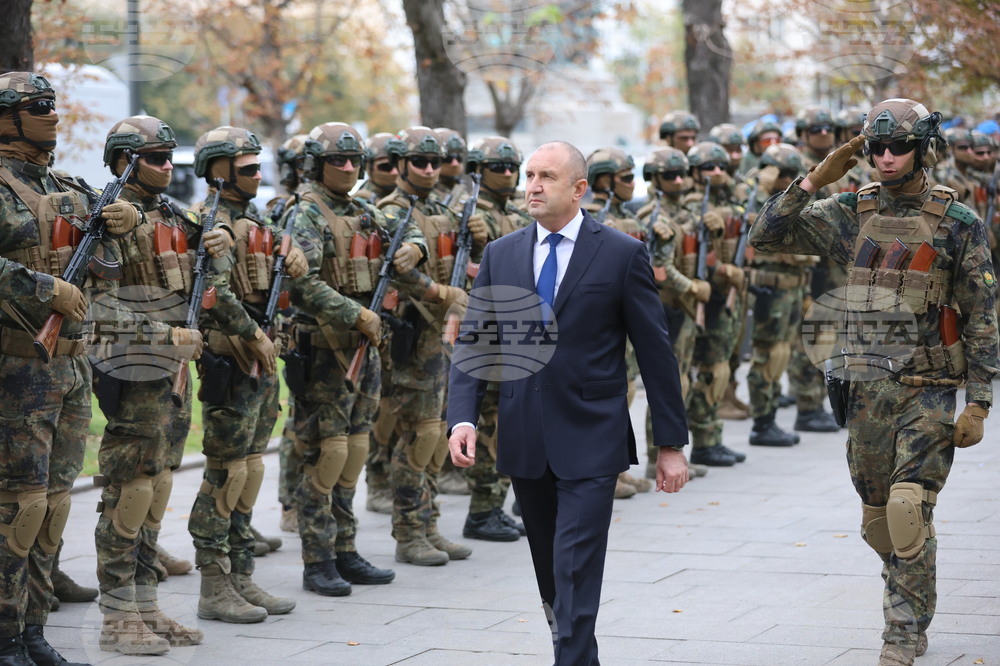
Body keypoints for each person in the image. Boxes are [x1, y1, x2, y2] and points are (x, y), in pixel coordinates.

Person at [750, 98, 998, 665]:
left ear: (924, 149)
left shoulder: (958, 223)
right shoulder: (848, 212)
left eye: (899, 146)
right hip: (865, 387)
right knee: (879, 518)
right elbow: (766, 236)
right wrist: (813, 178)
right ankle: (915, 597)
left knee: (910, 508)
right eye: (876, 147)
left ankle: (902, 634)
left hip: (929, 389)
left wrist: (979, 403)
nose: (885, 157)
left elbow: (981, 313)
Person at [447, 141, 689, 665]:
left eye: (546, 176)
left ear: (579, 189)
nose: (531, 186)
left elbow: (655, 352)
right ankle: (578, 651)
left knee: (576, 561)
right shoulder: (502, 253)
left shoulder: (623, 253)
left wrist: (670, 444)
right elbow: (474, 342)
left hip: (591, 435)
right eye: (528, 175)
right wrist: (462, 417)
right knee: (549, 567)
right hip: (524, 435)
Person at [0, 71, 139, 666]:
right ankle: (5, 636)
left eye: (53, 106)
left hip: (70, 369)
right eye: (37, 107)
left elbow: (109, 271)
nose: (52, 116)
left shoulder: (68, 186)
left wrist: (122, 230)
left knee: (55, 504)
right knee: (19, 506)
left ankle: (33, 630)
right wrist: (41, 288)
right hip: (18, 368)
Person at [285, 122, 413, 595]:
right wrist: (355, 313)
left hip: (366, 347)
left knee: (355, 450)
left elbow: (407, 231)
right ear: (316, 164)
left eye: (354, 160)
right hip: (326, 353)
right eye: (337, 160)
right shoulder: (306, 214)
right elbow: (303, 282)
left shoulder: (363, 210)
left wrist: (416, 246)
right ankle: (317, 560)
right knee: (326, 455)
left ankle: (345, 549)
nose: (347, 167)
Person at [93, 115, 205, 655]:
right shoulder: (107, 216)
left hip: (171, 376)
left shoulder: (172, 215)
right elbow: (98, 303)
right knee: (128, 492)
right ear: (123, 160)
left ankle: (145, 604)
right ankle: (117, 618)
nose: (166, 165)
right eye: (155, 157)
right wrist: (166, 333)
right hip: (133, 368)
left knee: (156, 488)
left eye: (169, 155)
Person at [187, 126, 305, 623]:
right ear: (218, 172)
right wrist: (252, 336)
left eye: (261, 167)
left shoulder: (253, 219)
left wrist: (295, 253)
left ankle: (241, 576)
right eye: (248, 169)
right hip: (231, 361)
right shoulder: (207, 222)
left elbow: (281, 271)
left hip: (261, 358)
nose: (260, 176)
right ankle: (214, 586)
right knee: (226, 474)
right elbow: (212, 292)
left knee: (251, 469)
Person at [377, 126, 473, 567]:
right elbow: (394, 273)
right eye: (420, 162)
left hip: (441, 338)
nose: (431, 169)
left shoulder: (440, 208)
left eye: (435, 162)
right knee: (416, 438)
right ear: (400, 165)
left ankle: (429, 524)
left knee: (435, 436)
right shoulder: (390, 210)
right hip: (410, 337)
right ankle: (409, 532)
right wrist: (439, 293)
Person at [458, 136, 532, 542]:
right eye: (496, 167)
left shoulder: (519, 211)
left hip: (515, 329)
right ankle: (481, 510)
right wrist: (474, 240)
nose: (506, 174)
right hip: (483, 331)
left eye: (511, 167)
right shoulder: (464, 210)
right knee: (485, 424)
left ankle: (493, 507)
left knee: (506, 425)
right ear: (478, 170)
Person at [583, 146, 656, 498]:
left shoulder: (622, 213)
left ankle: (615, 468)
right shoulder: (589, 215)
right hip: (600, 320)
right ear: (605, 179)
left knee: (623, 394)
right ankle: (601, 472)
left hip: (625, 315)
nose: (632, 183)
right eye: (626, 177)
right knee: (606, 397)